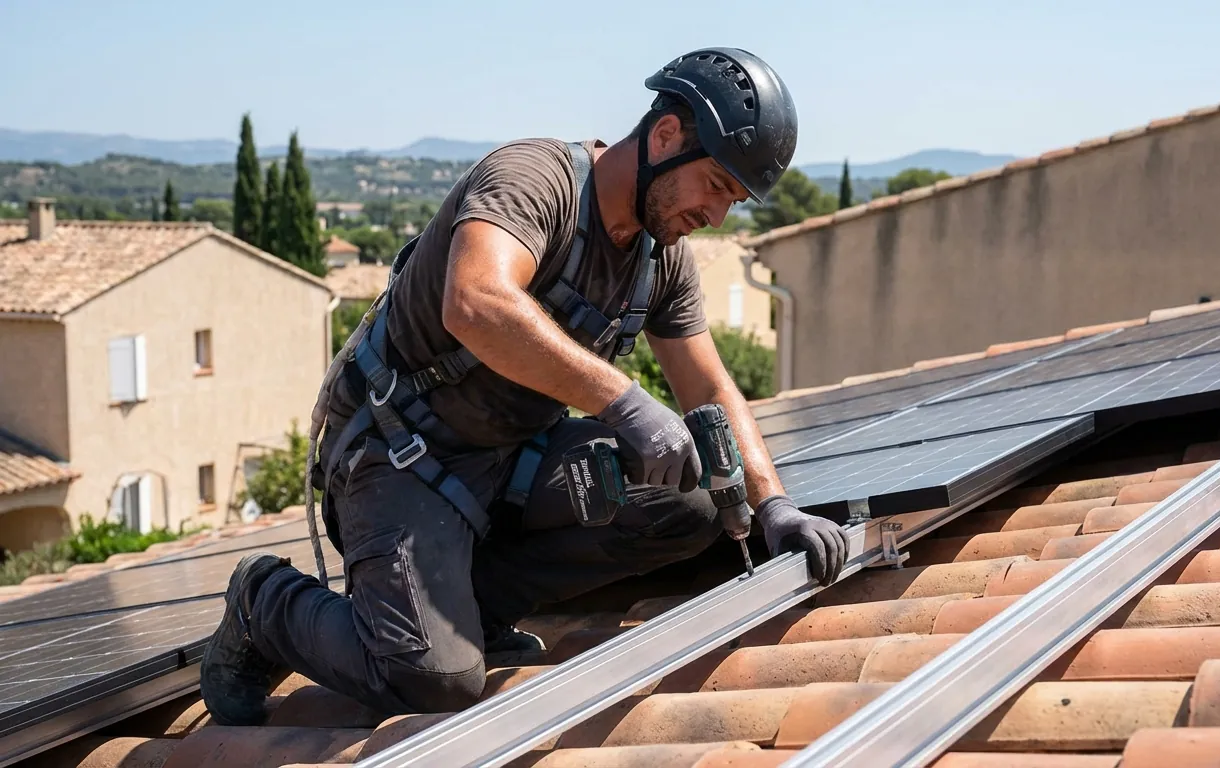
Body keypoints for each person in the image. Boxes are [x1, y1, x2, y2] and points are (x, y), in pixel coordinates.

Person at [199, 46, 849, 725]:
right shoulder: (536, 180)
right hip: (401, 457)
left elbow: (710, 389)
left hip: (509, 461)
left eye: (734, 200)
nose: (716, 215)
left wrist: (773, 506)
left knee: (690, 501)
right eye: (715, 184)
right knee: (434, 684)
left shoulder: (662, 262)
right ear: (665, 137)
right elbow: (476, 301)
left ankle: (472, 611)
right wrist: (623, 401)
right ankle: (263, 601)